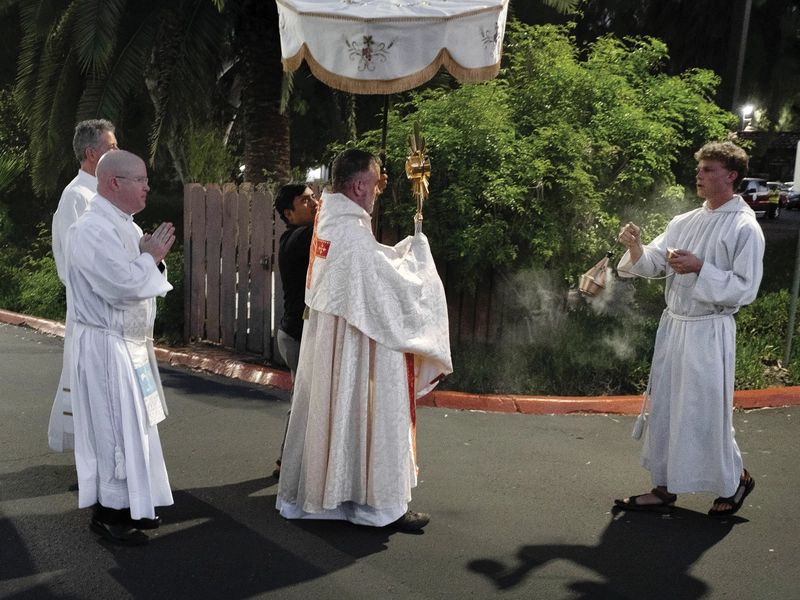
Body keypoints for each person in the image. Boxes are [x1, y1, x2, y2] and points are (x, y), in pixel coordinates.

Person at [276, 149, 452, 531]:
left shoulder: (330, 222)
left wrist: (397, 250)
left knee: (338, 413)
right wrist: (418, 258)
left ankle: (335, 493)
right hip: (358, 347)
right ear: (358, 185)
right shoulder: (350, 234)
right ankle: (380, 506)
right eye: (373, 185)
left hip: (335, 347)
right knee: (374, 415)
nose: (376, 193)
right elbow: (388, 288)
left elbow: (368, 267)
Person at [614, 141, 763, 517]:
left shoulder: (745, 227)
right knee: (666, 407)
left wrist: (700, 268)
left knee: (705, 411)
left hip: (710, 330)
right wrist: (636, 248)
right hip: (676, 327)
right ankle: (663, 489)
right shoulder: (684, 221)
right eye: (699, 169)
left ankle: (736, 481)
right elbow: (652, 262)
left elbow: (746, 288)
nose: (699, 175)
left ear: (731, 176)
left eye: (709, 169)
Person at [66, 150, 176, 545]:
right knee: (113, 427)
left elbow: (141, 274)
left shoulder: (124, 225)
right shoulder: (91, 229)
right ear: (114, 183)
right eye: (140, 180)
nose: (147, 187)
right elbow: (121, 287)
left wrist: (150, 257)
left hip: (129, 347)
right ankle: (109, 512)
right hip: (107, 347)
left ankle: (137, 504)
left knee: (137, 425)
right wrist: (151, 257)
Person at [49, 119, 119, 453]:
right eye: (112, 146)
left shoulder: (106, 192)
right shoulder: (76, 197)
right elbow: (77, 263)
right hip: (91, 310)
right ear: (92, 153)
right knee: (91, 388)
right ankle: (93, 464)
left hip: (115, 311)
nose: (118, 151)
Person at [272, 183, 319, 479]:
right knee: (305, 402)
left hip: (297, 334)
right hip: (297, 337)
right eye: (305, 200)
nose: (314, 203)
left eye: (314, 197)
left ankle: (291, 460)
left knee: (306, 401)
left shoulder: (303, 237)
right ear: (289, 213)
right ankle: (286, 461)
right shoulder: (297, 239)